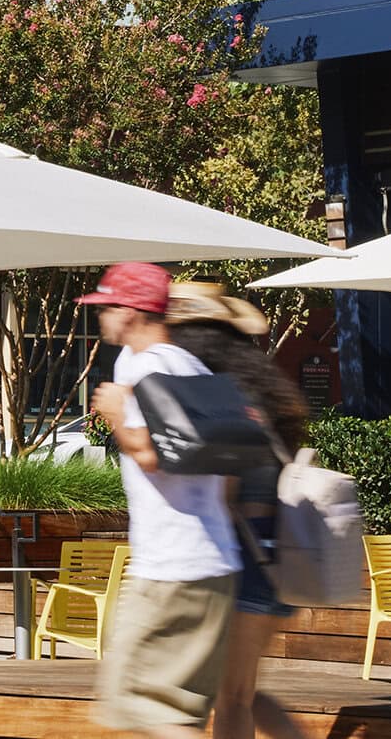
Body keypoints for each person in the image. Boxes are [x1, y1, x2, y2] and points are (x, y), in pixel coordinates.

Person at [82, 262, 241, 739]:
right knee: (176, 713)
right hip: (214, 562)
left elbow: (152, 453)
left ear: (131, 310)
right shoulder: (189, 366)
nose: (100, 316)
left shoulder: (150, 367)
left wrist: (113, 415)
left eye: (106, 306)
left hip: (171, 567)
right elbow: (229, 471)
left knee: (138, 706)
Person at [167, 282, 307, 739]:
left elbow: (226, 494)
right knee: (244, 693)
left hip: (244, 563)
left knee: (231, 699)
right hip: (277, 561)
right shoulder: (261, 397)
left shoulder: (220, 399)